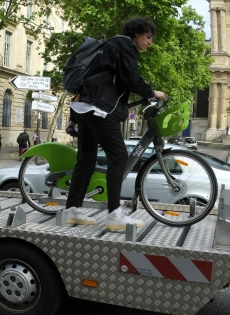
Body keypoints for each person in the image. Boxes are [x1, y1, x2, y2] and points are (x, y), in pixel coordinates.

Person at [65, 18, 166, 230]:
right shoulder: (124, 45)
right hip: (97, 108)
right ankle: (114, 214)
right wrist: (152, 92)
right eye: (149, 37)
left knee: (86, 160)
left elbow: (115, 78)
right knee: (119, 155)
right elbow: (130, 77)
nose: (150, 42)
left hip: (84, 106)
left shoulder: (113, 44)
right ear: (138, 32)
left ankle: (72, 210)